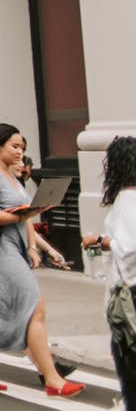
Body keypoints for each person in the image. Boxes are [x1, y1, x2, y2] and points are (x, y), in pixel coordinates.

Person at [0, 123, 85, 397]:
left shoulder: (10, 177)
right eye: (15, 146)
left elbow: (24, 215)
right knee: (34, 309)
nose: (20, 152)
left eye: (23, 147)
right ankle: (52, 379)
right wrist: (20, 216)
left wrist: (33, 245)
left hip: (12, 249)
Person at [81, 136, 136, 405]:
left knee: (129, 368)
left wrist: (102, 241)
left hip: (130, 296)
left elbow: (130, 247)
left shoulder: (126, 201)